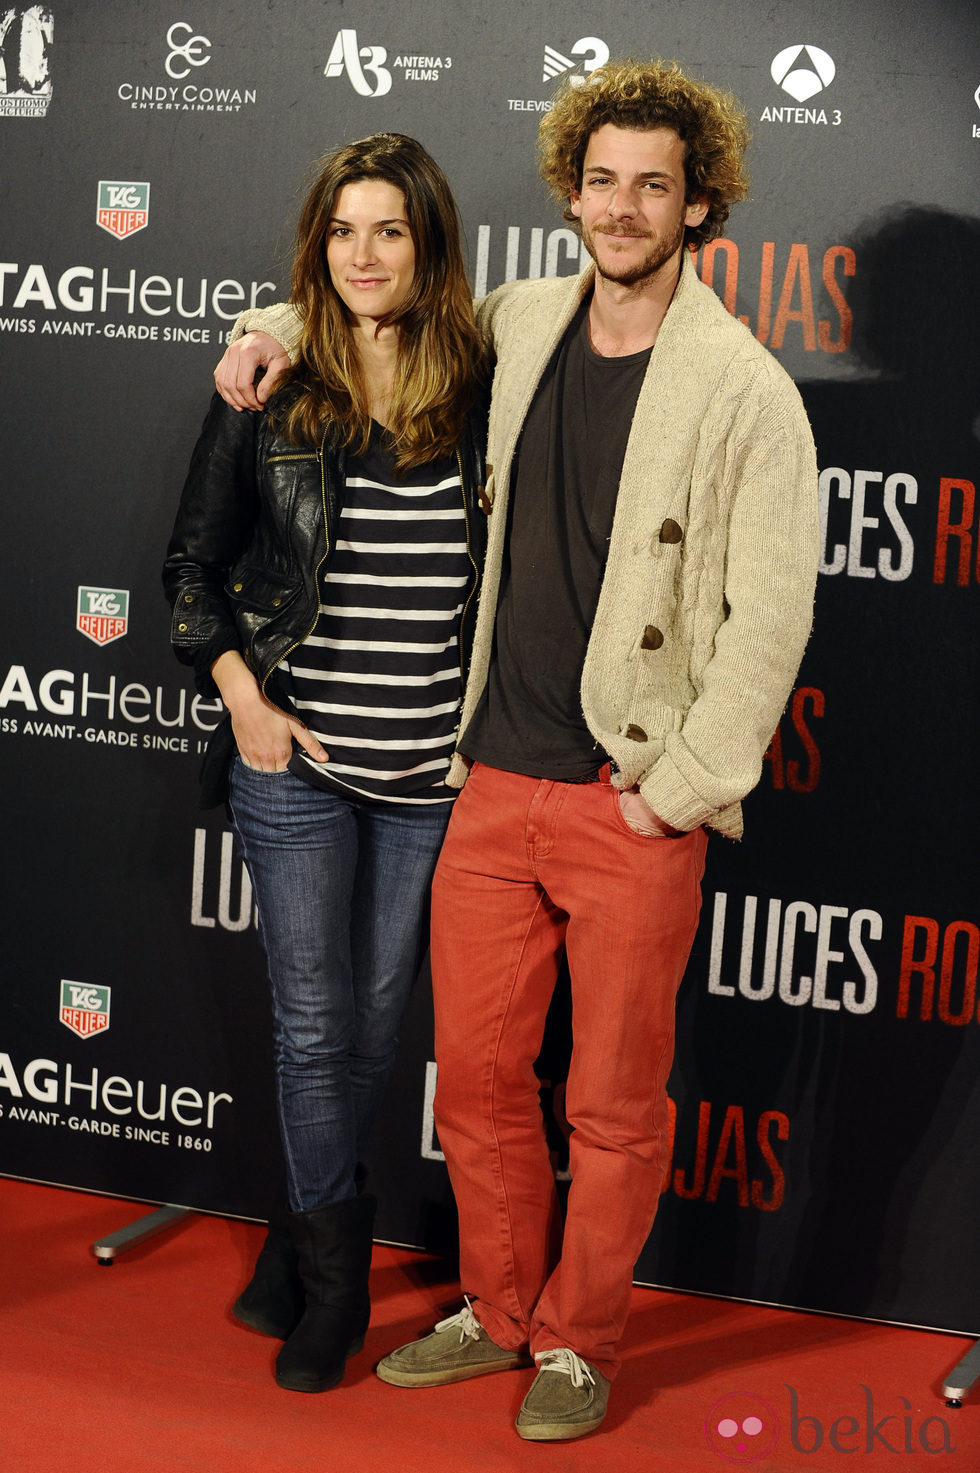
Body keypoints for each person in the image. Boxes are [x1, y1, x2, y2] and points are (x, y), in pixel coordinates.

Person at [212, 59, 819, 1441]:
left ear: (699, 204)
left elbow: (772, 615)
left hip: (625, 800)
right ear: (571, 191)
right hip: (484, 784)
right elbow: (370, 316)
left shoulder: (742, 386)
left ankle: (581, 1339)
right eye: (600, 182)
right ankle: (496, 1305)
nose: (620, 208)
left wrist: (681, 789)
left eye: (651, 186)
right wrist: (264, 327)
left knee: (609, 1106)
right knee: (481, 1085)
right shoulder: (525, 318)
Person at [163, 133, 487, 1395]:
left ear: (427, 243)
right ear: (319, 244)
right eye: (344, 231)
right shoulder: (268, 386)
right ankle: (336, 1282)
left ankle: (292, 1251)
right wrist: (241, 693)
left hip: (431, 772)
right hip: (292, 757)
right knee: (310, 1026)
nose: (364, 254)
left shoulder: (486, 379)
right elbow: (190, 572)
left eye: (390, 231)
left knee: (367, 1024)